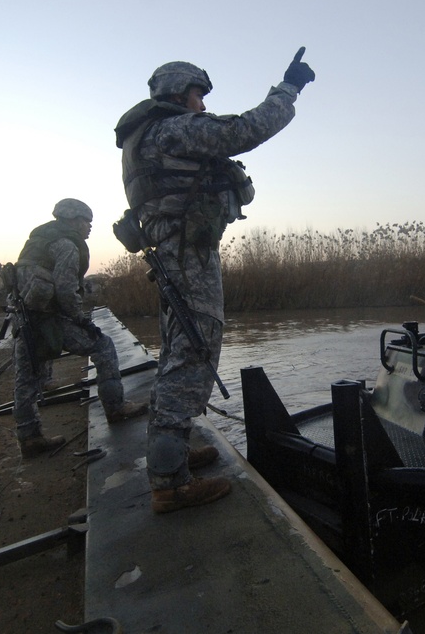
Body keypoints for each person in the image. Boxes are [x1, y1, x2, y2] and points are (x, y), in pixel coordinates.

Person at [114, 49, 315, 513]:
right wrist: (289, 88)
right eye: (198, 95)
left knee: (178, 350)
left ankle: (172, 453)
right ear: (181, 93)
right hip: (188, 253)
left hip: (174, 251)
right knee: (194, 352)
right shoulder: (175, 127)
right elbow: (245, 130)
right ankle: (169, 481)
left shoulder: (142, 139)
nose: (202, 104)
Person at [11, 198, 148, 458]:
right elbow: (65, 289)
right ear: (73, 220)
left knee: (28, 378)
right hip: (48, 319)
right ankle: (116, 408)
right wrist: (81, 319)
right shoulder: (67, 245)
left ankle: (29, 437)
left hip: (25, 318)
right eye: (87, 222)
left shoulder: (37, 241)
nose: (89, 228)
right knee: (103, 346)